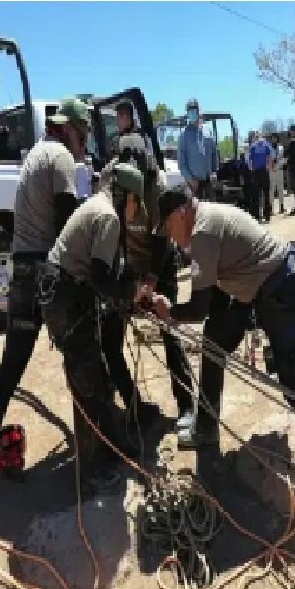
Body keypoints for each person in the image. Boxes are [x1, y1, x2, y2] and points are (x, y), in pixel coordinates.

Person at [149, 185, 295, 526]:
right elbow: (216, 304)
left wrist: (169, 312)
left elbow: (201, 306)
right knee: (214, 343)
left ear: (180, 213)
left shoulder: (203, 231)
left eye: (169, 229)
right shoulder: (204, 222)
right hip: (255, 290)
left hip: (279, 288)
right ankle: (206, 427)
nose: (172, 239)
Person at [0, 97, 92, 498]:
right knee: (82, 357)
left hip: (20, 276)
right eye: (83, 134)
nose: (83, 142)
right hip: (47, 277)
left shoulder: (36, 154)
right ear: (70, 128)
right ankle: (90, 467)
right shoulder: (60, 158)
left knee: (9, 371)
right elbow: (70, 222)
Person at [40, 163, 150, 498]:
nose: (134, 212)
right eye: (135, 203)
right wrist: (127, 298)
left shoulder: (97, 207)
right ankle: (91, 471)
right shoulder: (110, 218)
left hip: (62, 294)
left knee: (92, 377)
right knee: (89, 383)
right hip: (65, 298)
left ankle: (113, 448)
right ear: (126, 195)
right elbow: (102, 278)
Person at [96, 138, 195, 435]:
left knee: (168, 329)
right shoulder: (113, 179)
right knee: (110, 334)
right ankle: (127, 402)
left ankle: (187, 404)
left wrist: (152, 279)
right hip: (129, 265)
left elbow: (163, 238)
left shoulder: (157, 186)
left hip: (158, 264)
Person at [177, 98, 218, 200]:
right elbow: (181, 163)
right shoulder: (183, 135)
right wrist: (190, 179)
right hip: (193, 185)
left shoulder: (208, 130)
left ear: (198, 111)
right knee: (196, 214)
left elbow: (214, 153)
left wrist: (214, 172)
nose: (192, 113)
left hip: (208, 182)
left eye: (194, 109)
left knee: (211, 213)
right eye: (189, 110)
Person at [246, 130, 274, 223]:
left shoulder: (253, 146)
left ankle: (258, 216)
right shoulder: (266, 145)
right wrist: (268, 167)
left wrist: (252, 169)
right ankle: (267, 216)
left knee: (257, 196)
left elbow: (249, 160)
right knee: (266, 194)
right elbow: (270, 157)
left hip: (256, 172)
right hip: (264, 172)